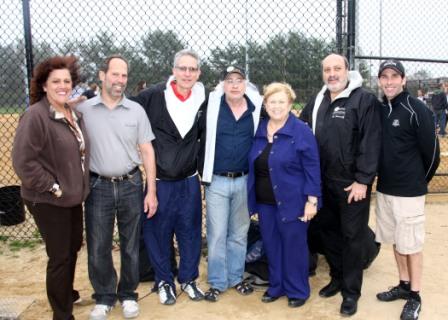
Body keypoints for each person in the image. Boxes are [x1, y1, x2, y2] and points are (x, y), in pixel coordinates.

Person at [299, 53, 381, 316]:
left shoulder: (363, 99)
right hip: (323, 183)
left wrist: (362, 180)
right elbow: (299, 128)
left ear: (347, 70)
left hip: (351, 185)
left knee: (352, 238)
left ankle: (351, 292)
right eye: (327, 69)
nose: (332, 74)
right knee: (329, 233)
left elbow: (371, 142)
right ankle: (336, 276)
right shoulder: (318, 99)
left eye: (337, 68)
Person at [77, 55, 157, 320]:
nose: (120, 80)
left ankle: (128, 295)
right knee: (98, 244)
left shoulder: (136, 110)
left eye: (124, 76)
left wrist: (151, 191)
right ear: (102, 75)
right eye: (115, 74)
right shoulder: (84, 110)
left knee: (131, 244)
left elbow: (147, 150)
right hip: (98, 184)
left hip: (131, 183)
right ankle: (104, 296)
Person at [12, 55, 90, 320]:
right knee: (59, 256)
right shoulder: (35, 116)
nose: (62, 85)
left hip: (71, 197)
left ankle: (65, 293)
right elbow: (24, 163)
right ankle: (62, 313)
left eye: (67, 81)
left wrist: (72, 188)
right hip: (47, 199)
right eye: (55, 81)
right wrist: (54, 187)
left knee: (71, 248)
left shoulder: (72, 113)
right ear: (43, 85)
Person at [131, 49, 206, 305]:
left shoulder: (203, 95)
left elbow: (242, 93)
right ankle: (164, 280)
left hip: (189, 180)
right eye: (182, 68)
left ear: (199, 73)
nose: (187, 74)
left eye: (192, 69)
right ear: (173, 70)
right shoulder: (152, 96)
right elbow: (123, 110)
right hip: (160, 182)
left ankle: (188, 279)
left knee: (191, 232)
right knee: (158, 233)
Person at [375, 60, 440, 320]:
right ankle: (403, 284)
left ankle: (415, 294)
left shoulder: (416, 109)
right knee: (397, 241)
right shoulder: (381, 109)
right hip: (385, 189)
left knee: (411, 244)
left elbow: (432, 154)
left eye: (394, 76)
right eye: (384, 77)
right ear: (380, 80)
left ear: (403, 79)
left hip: (409, 192)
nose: (389, 81)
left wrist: (417, 183)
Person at [247, 82, 321, 308]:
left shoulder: (301, 131)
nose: (276, 106)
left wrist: (312, 200)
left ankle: (297, 289)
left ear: (290, 104)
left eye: (281, 102)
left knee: (294, 246)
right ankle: (276, 286)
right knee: (271, 244)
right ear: (265, 104)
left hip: (294, 201)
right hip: (265, 202)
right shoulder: (260, 130)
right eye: (272, 102)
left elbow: (312, 167)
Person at [200, 66, 262, 302]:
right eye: (229, 81)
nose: (234, 85)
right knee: (216, 235)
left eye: (239, 80)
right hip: (217, 180)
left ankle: (236, 277)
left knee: (239, 233)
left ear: (245, 84)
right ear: (222, 85)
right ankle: (217, 282)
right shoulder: (213, 106)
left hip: (245, 180)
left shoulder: (256, 109)